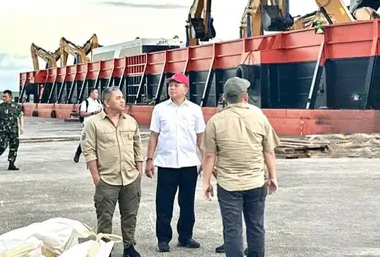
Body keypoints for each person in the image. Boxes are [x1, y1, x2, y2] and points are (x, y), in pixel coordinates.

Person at [201, 76, 280, 257]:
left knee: (232, 230)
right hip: (256, 182)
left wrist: (206, 182)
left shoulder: (215, 121)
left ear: (225, 97)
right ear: (245, 96)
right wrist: (273, 177)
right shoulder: (259, 116)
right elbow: (269, 151)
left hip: (228, 185)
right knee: (256, 226)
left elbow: (209, 155)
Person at [144, 72, 205, 253]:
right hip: (166, 164)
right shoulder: (160, 109)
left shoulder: (195, 109)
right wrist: (149, 159)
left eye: (177, 85)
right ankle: (163, 239)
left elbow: (200, 138)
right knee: (164, 203)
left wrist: (205, 160)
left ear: (185, 89)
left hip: (188, 164)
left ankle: (185, 236)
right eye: (170, 85)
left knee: (187, 203)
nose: (172, 88)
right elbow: (154, 135)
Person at [81, 86, 143, 257]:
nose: (122, 100)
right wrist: (95, 176)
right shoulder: (93, 123)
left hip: (130, 178)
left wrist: (139, 170)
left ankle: (129, 247)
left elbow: (137, 146)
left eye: (122, 97)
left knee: (130, 216)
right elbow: (89, 150)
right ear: (107, 102)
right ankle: (104, 249)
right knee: (105, 218)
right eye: (118, 98)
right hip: (107, 179)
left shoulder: (131, 121)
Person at [0, 90, 24, 171]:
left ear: (10, 97)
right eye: (3, 96)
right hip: (3, 130)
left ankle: (11, 164)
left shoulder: (17, 106)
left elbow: (20, 116)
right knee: (2, 146)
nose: (3, 98)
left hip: (13, 130)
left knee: (14, 146)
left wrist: (22, 127)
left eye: (5, 96)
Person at [74, 88, 102, 163]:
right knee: (85, 140)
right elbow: (82, 114)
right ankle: (78, 153)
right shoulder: (85, 102)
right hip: (88, 124)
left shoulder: (98, 102)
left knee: (98, 140)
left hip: (97, 124)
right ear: (91, 93)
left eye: (97, 93)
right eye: (95, 92)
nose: (97, 94)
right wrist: (93, 113)